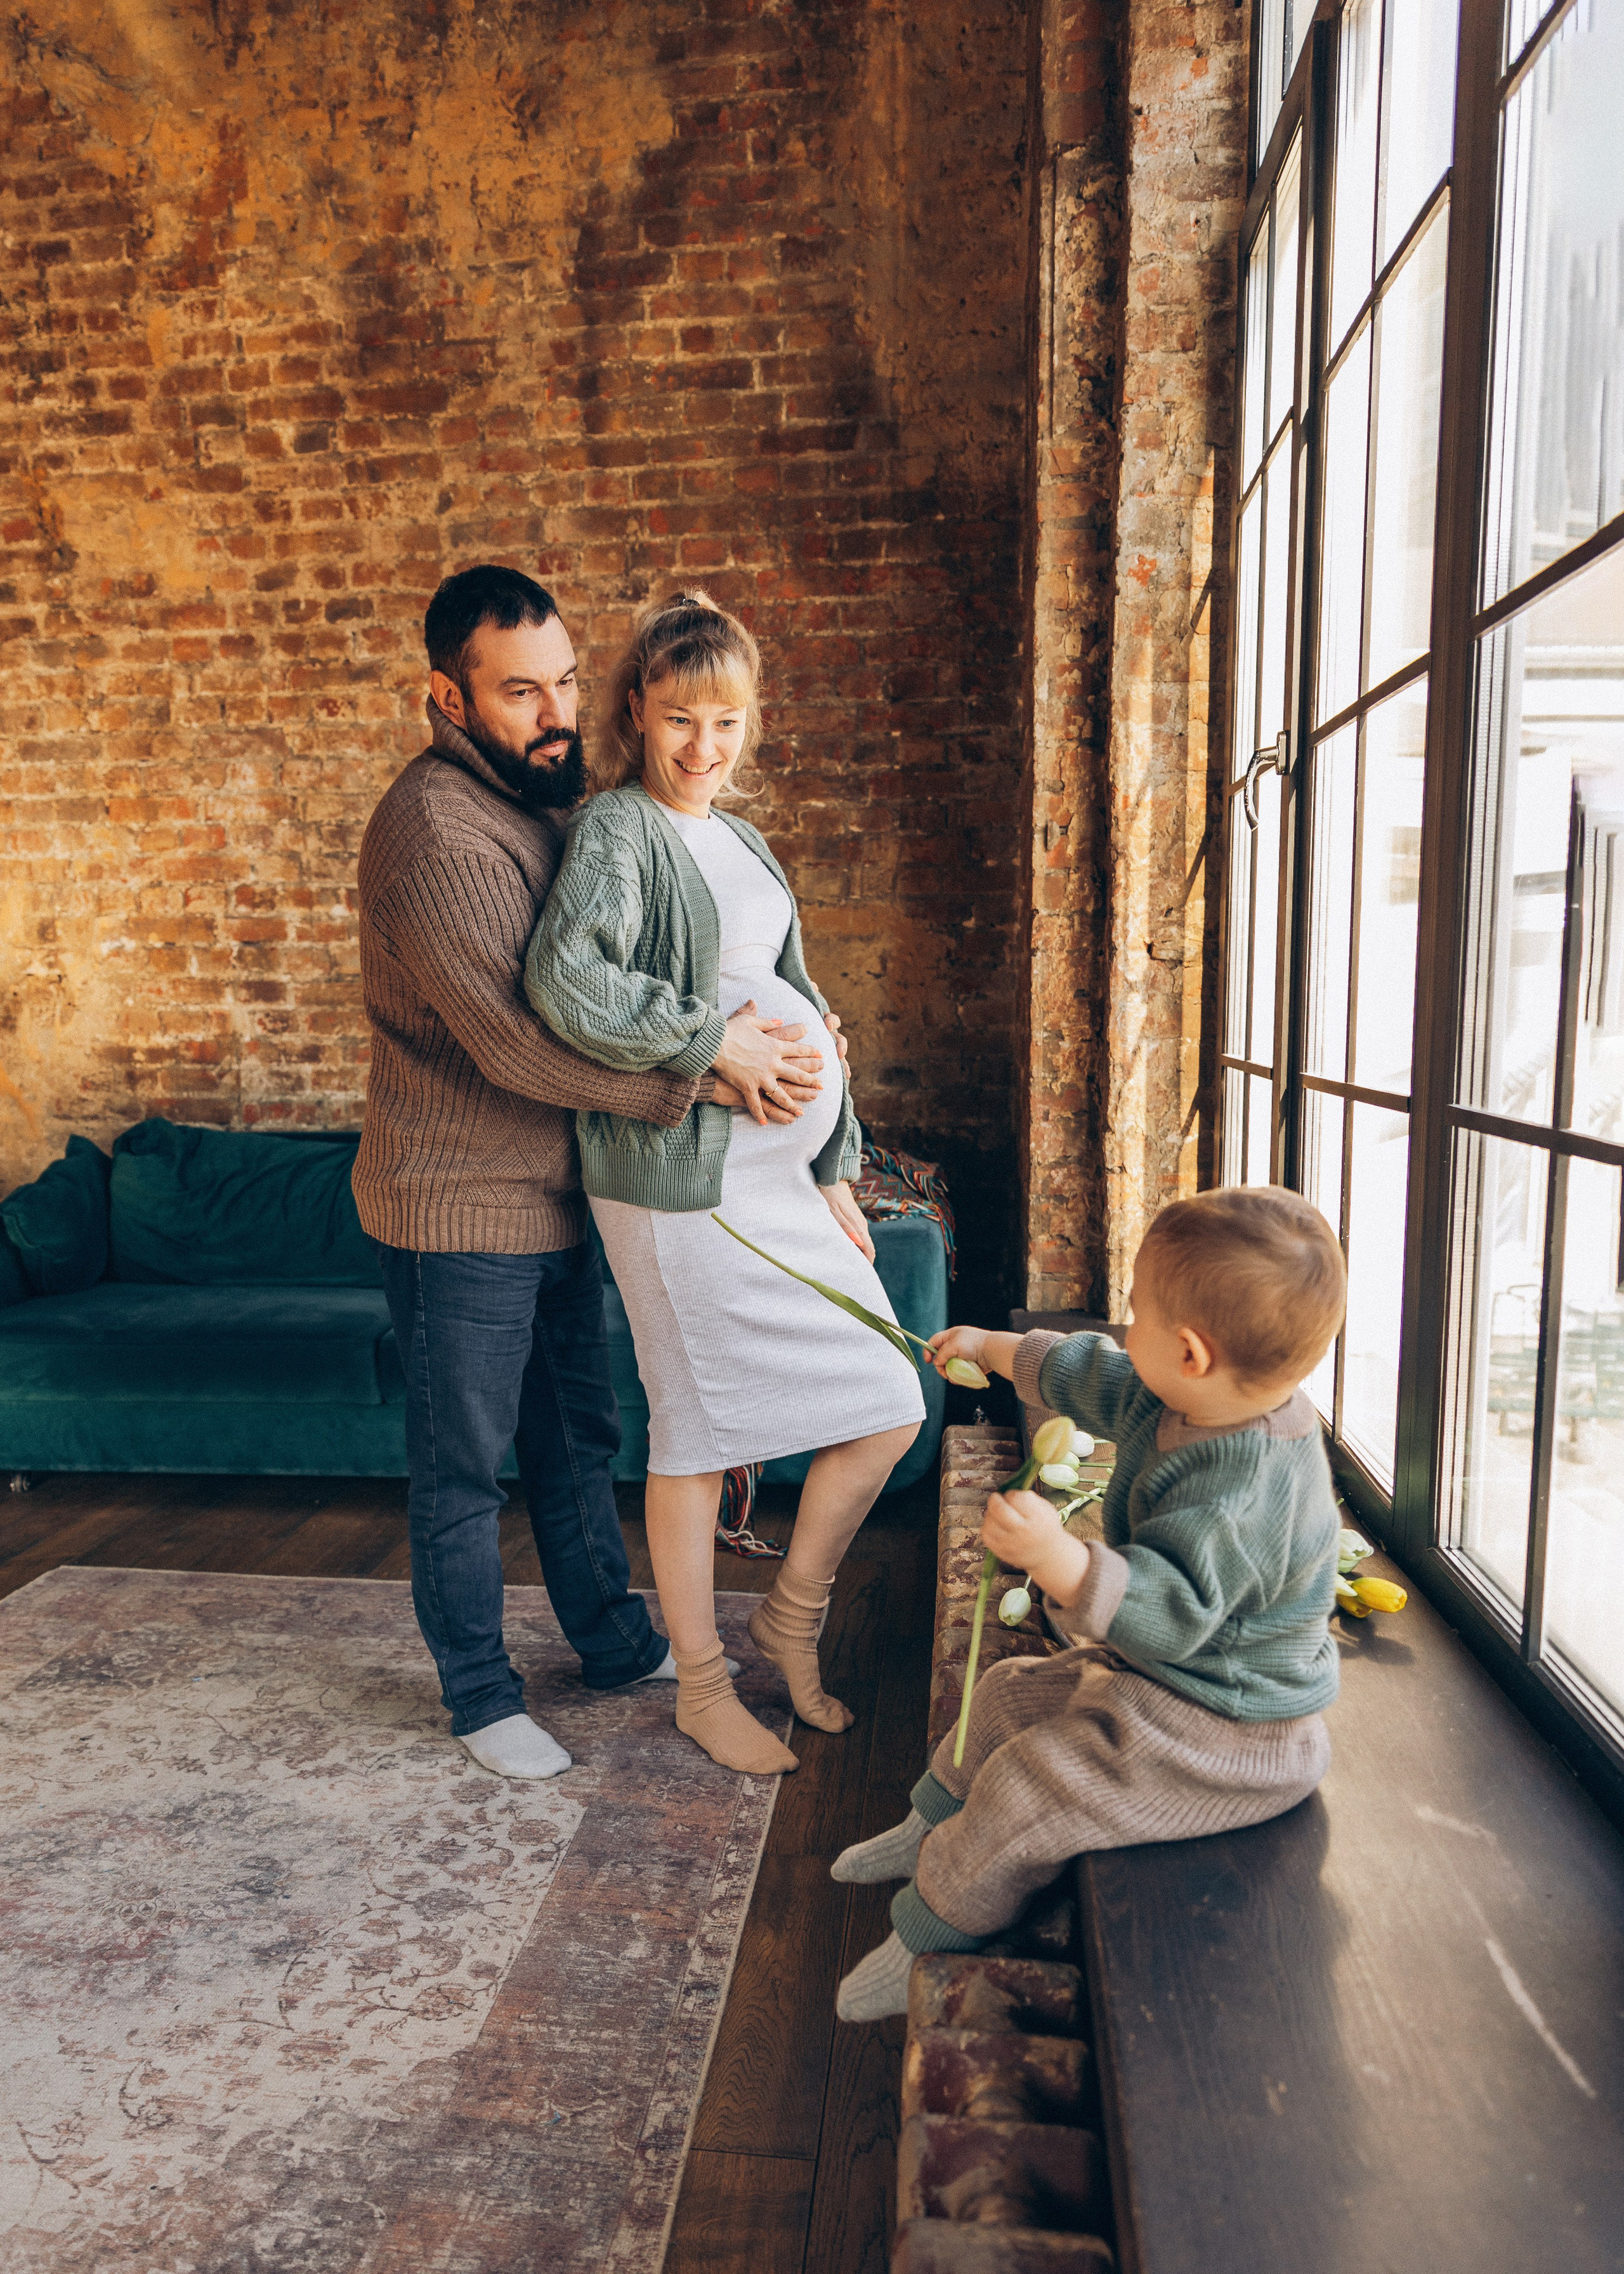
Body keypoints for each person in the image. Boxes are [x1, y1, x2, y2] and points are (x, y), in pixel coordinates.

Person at [354, 565, 828, 1782]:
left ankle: (614, 1641)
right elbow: (520, 1037)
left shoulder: (544, 804)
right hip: (457, 1201)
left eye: (565, 681)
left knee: (579, 1435)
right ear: (447, 700)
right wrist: (706, 1066)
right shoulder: (437, 829)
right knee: (465, 1460)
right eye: (520, 692)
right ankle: (476, 1694)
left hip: (564, 1190)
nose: (555, 711)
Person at [523, 590, 926, 1778]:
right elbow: (565, 982)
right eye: (683, 718)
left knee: (890, 1397)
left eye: (730, 721)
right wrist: (713, 1045)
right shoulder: (615, 831)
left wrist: (839, 1170)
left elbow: (802, 991)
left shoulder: (743, 841)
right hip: (671, 1183)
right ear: (637, 709)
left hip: (780, 1180)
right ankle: (703, 1685)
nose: (706, 747)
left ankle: (789, 1622)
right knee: (693, 1433)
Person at [831, 1184, 1347, 2020]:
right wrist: (995, 1347)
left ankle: (926, 1933)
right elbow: (1098, 1373)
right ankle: (927, 1829)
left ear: (1190, 1351)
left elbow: (1172, 1615)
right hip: (1167, 1677)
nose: (1122, 1327)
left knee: (1036, 1787)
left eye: (1134, 1312)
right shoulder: (1185, 1393)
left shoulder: (1245, 1485)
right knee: (1001, 1697)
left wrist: (1060, 1559)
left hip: (1230, 1726)